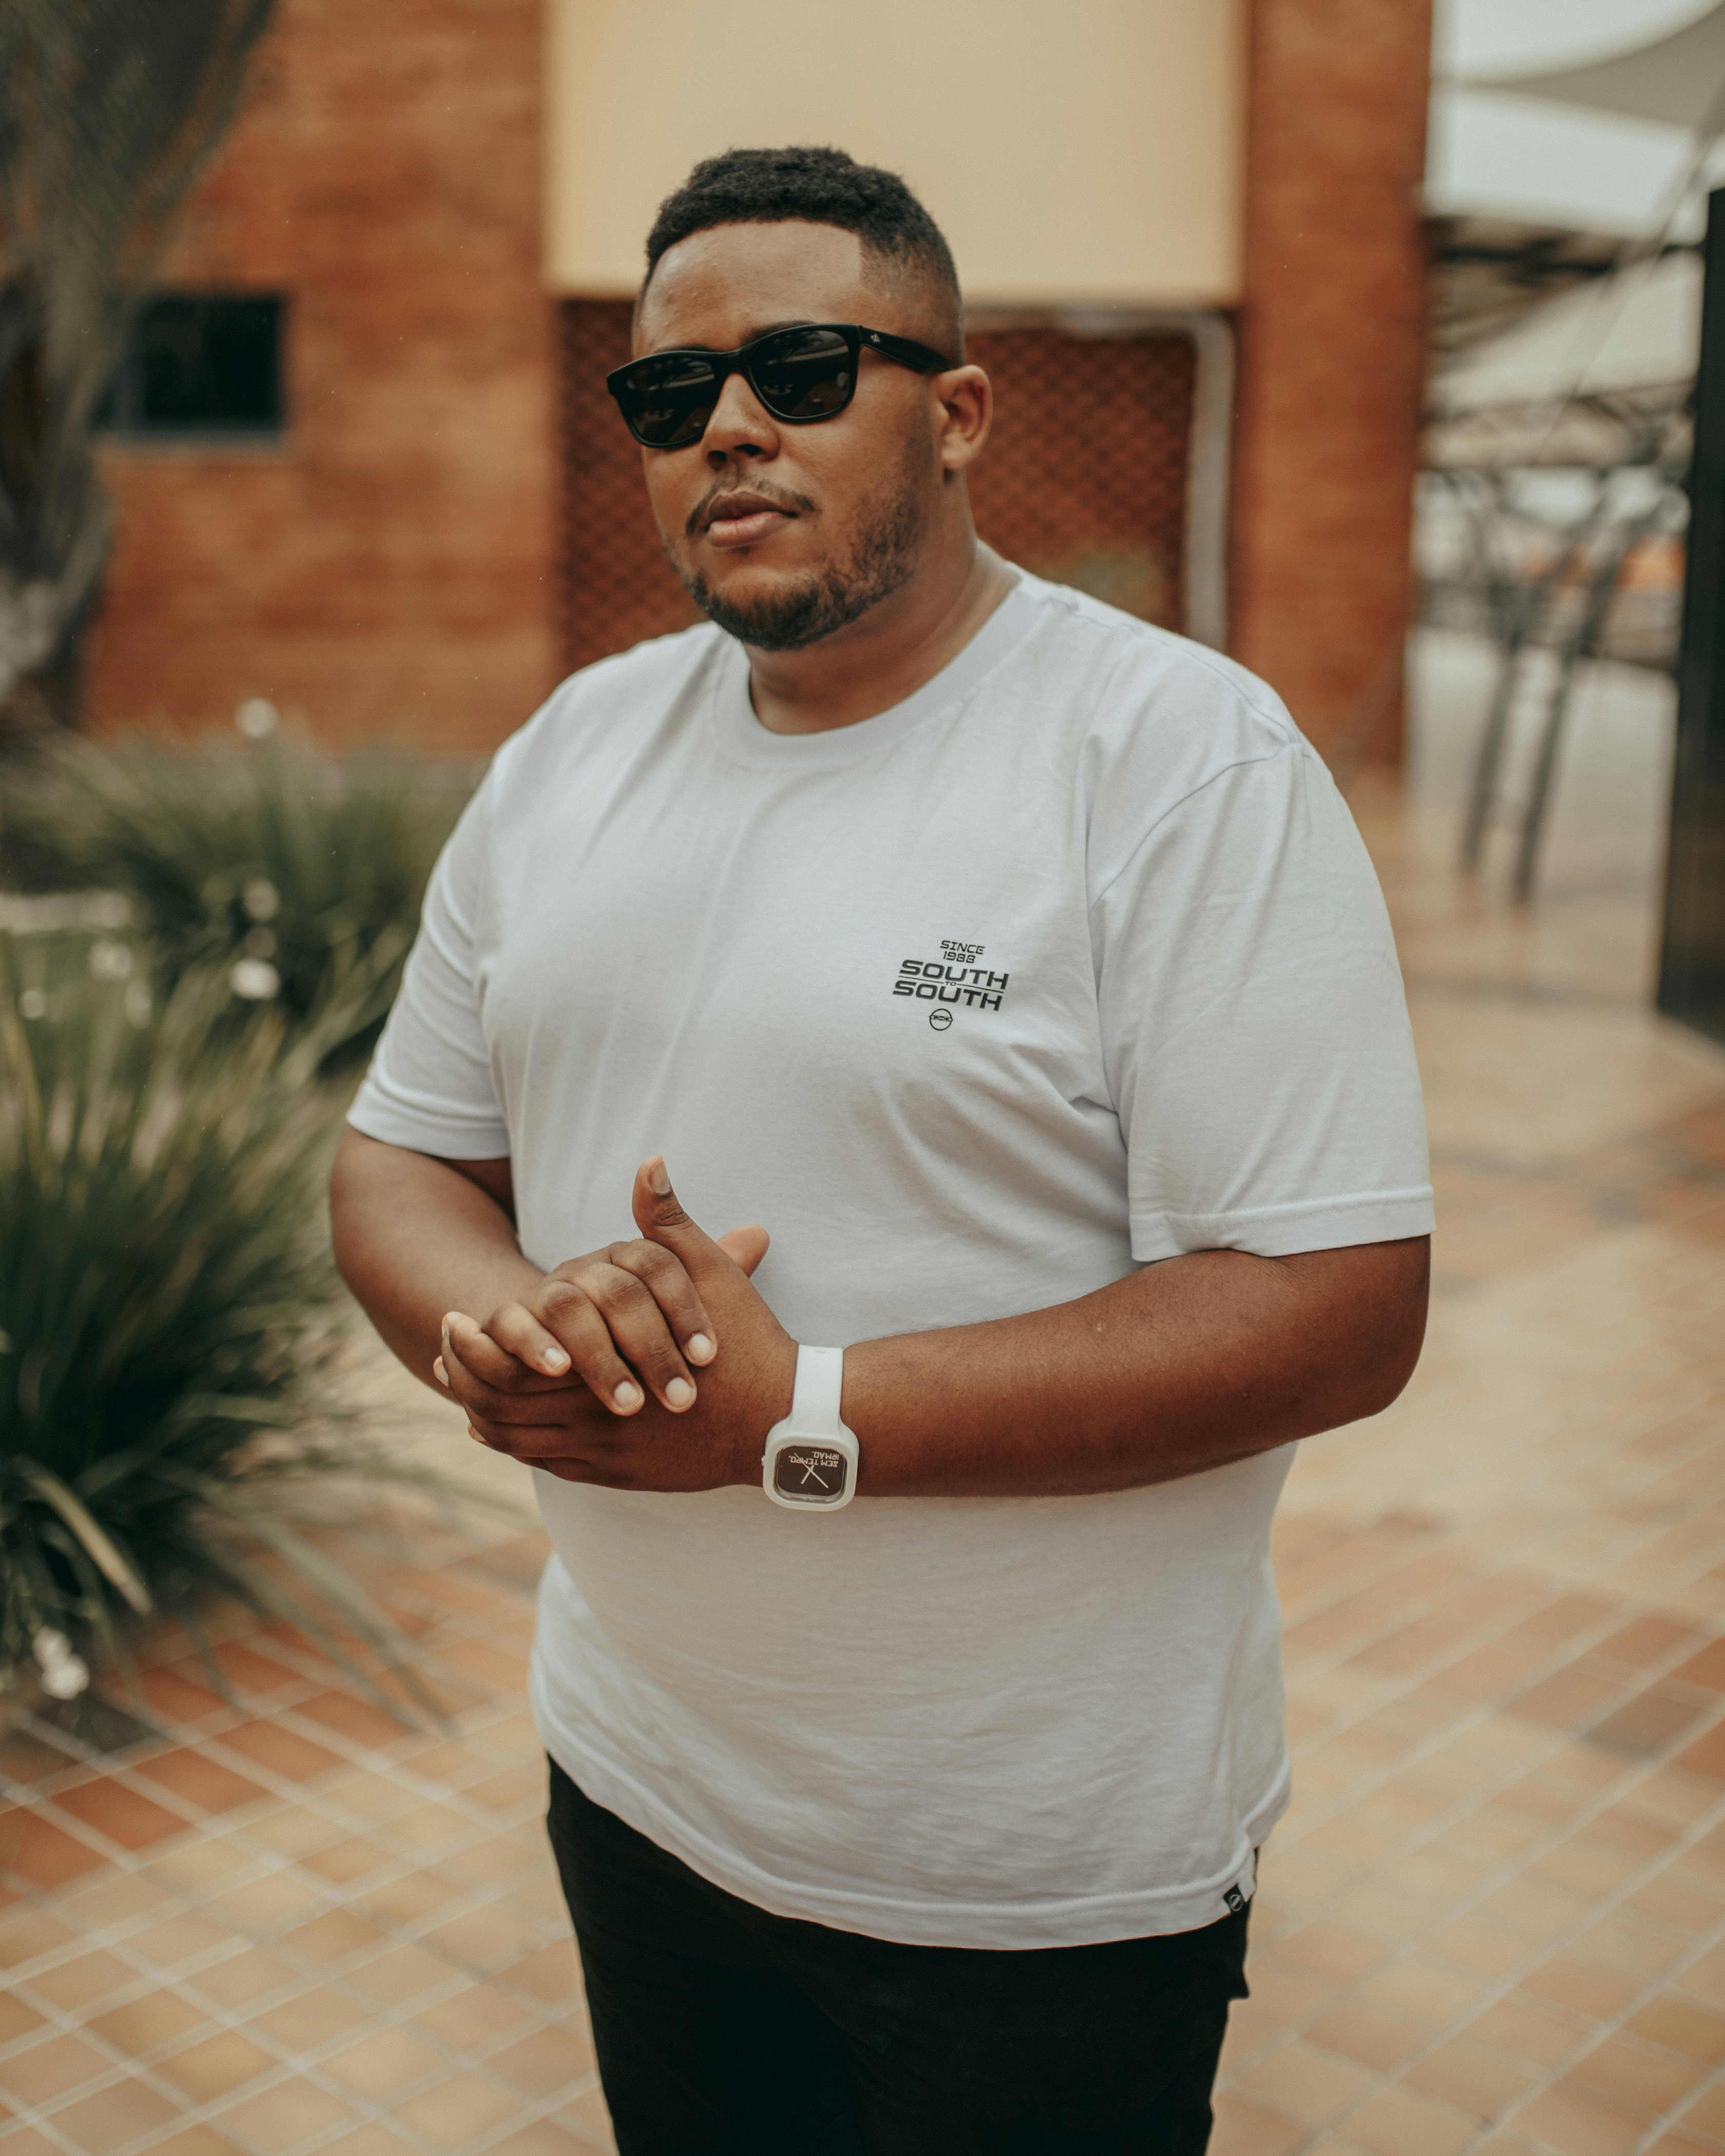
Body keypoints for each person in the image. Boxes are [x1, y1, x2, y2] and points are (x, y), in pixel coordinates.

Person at [330, 145, 1433, 2155]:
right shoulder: (566, 756)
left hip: (1028, 1878)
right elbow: (401, 1160)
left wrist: (796, 1411)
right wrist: (503, 1329)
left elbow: (1335, 1307)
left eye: (804, 368)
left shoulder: (1177, 762)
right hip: (640, 1784)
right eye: (669, 395)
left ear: (959, 409)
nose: (728, 426)